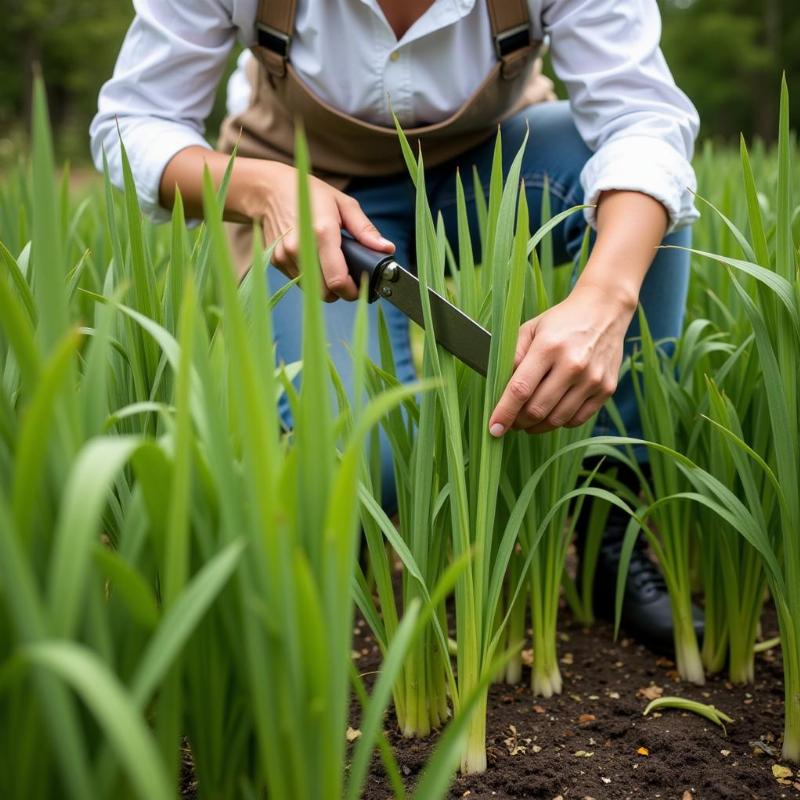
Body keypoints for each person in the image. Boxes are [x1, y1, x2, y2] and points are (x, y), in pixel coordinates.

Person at [91, 0, 702, 652]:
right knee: (371, 463)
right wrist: (263, 190)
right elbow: (133, 122)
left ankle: (611, 515)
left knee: (642, 195)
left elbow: (644, 121)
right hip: (314, 194)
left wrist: (606, 298)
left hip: (497, 169)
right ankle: (321, 518)